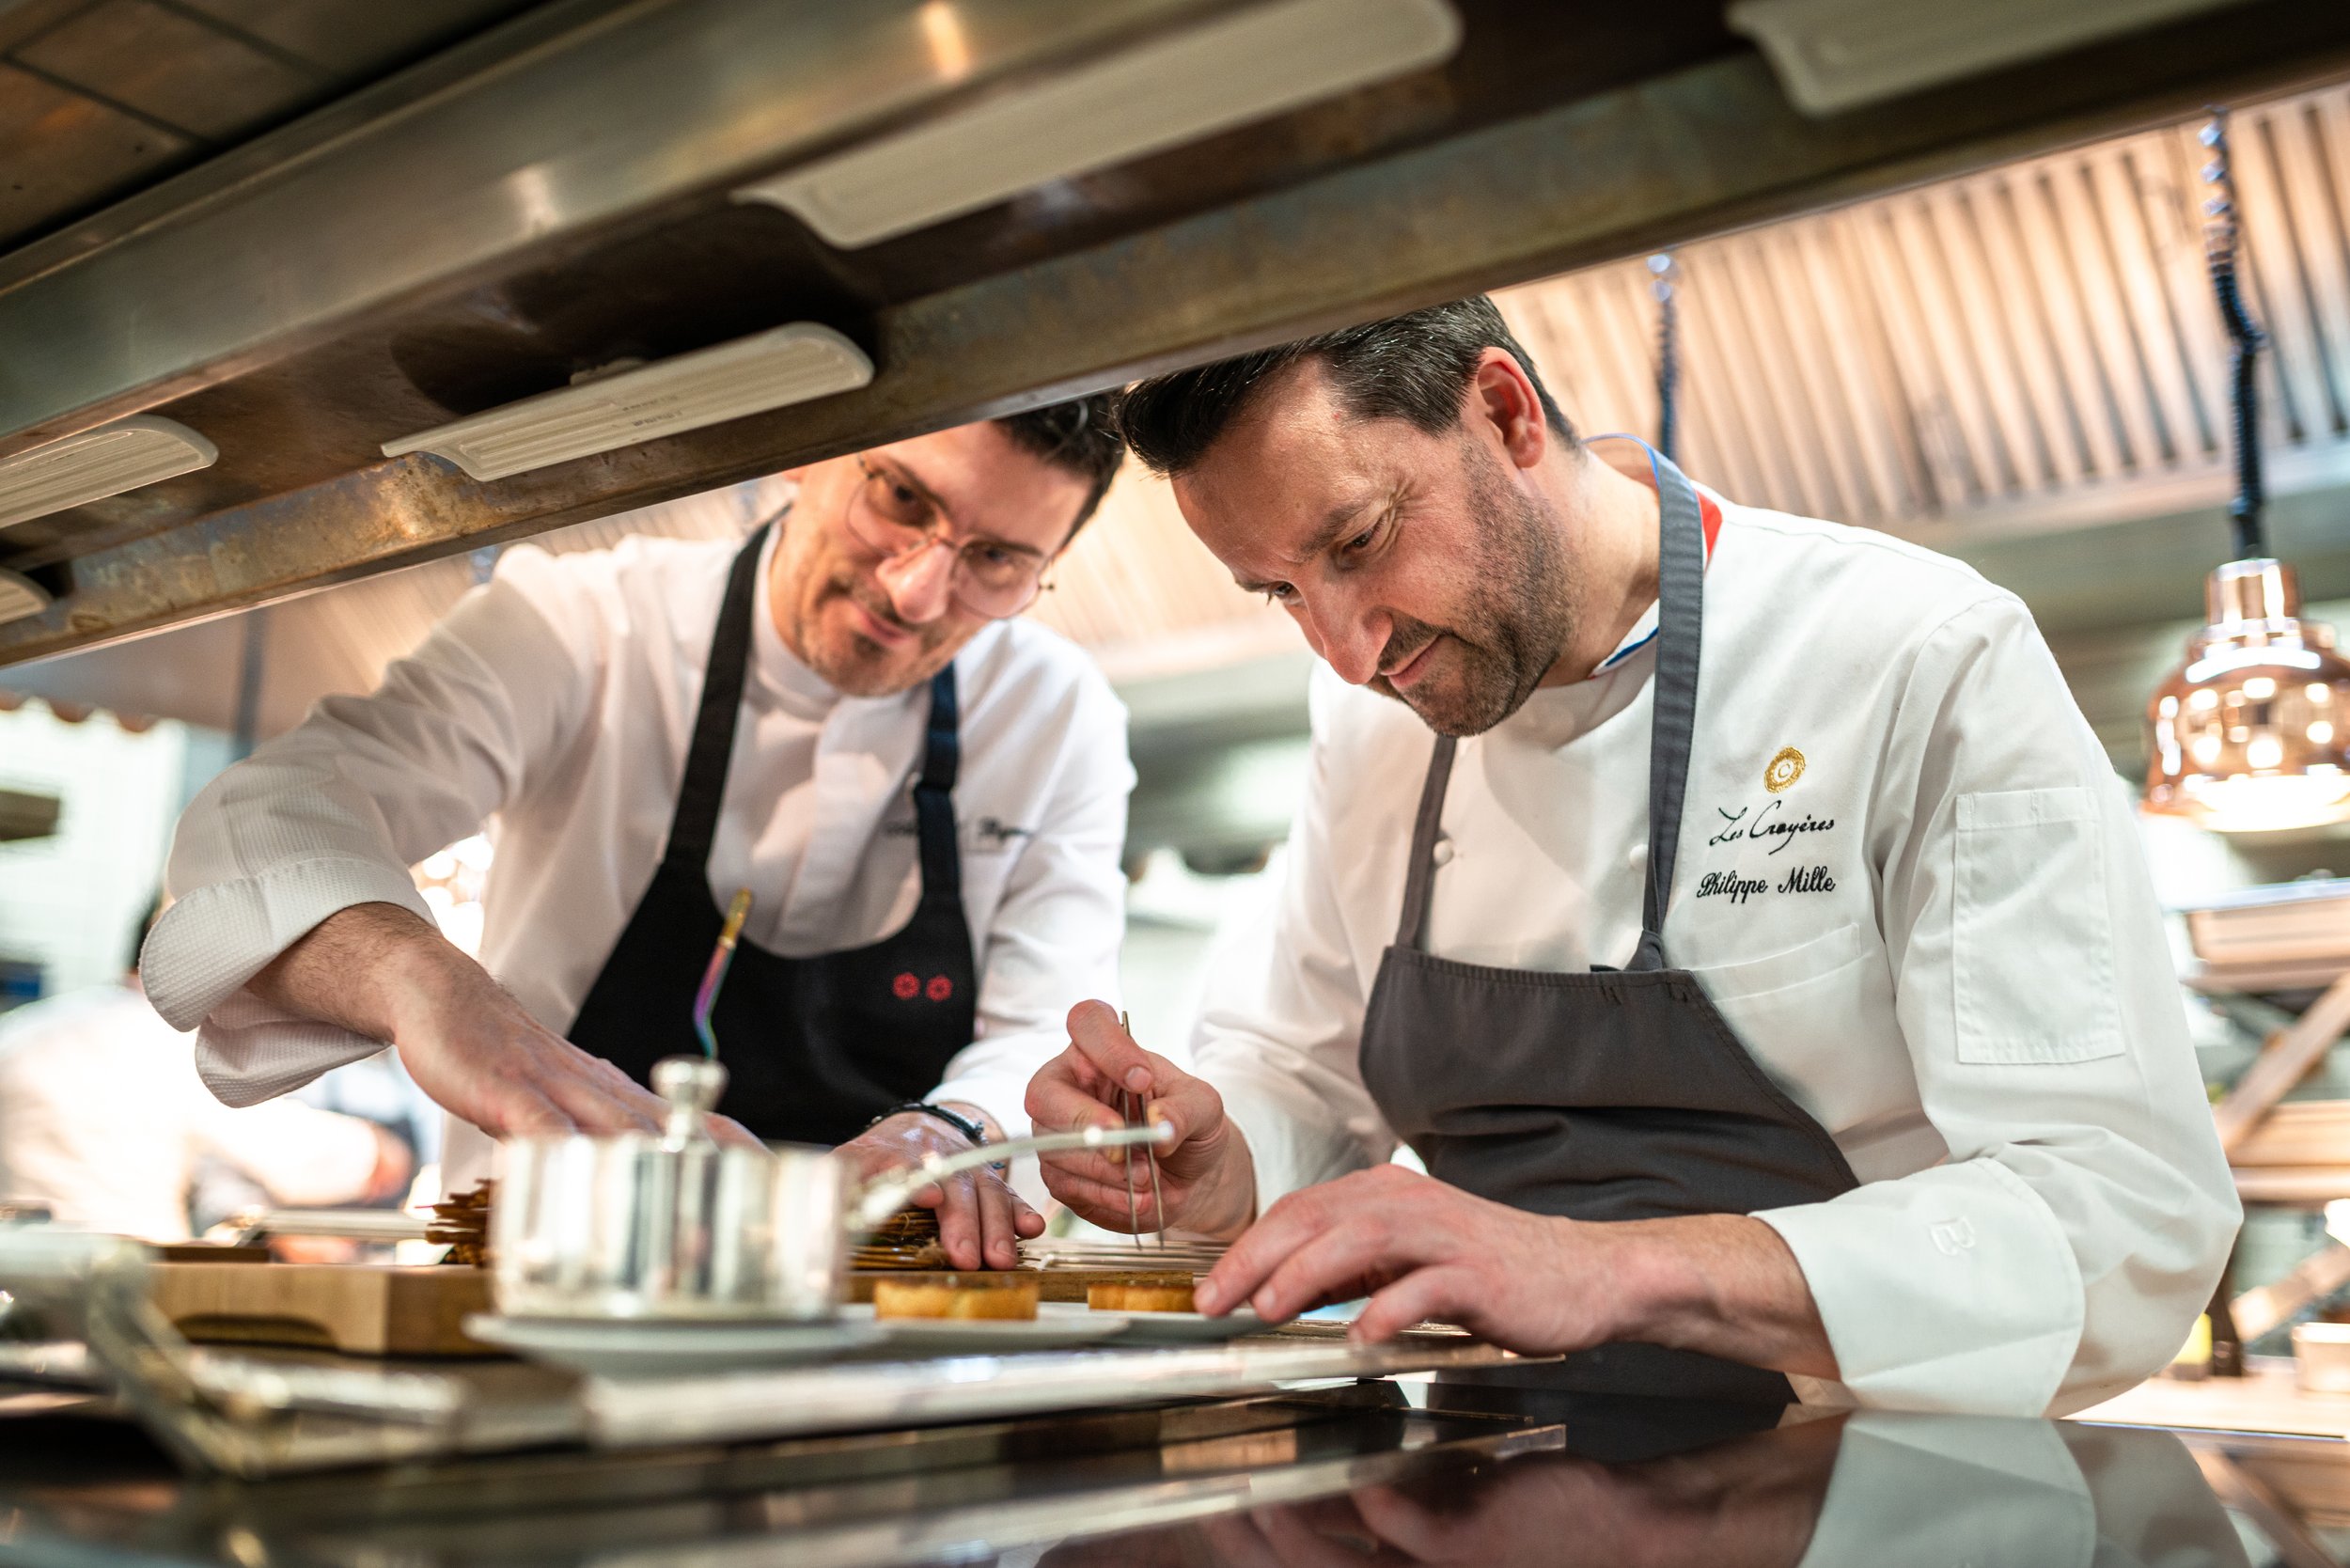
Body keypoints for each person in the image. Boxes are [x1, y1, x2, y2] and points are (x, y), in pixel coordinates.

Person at [1026, 300, 2236, 1413]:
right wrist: (1224, 1166)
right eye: (1279, 591)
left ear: (1502, 412)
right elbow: (1300, 1077)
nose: (1346, 650)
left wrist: (1601, 1268)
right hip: (1491, 1490)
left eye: (1357, 542)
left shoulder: (1917, 657)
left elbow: (2119, 1215)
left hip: (1865, 1495)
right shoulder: (1365, 721)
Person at [146, 400, 1132, 1270]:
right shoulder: (584, 625)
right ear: (812, 451)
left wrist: (955, 1130)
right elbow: (272, 810)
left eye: (996, 560)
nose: (916, 594)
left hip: (889, 1321)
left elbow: (1051, 1024)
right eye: (902, 500)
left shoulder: (1054, 713)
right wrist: (425, 984)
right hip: (550, 1286)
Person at [0, 921, 407, 1243]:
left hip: (20, 1264)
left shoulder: (20, 1031)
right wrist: (374, 1149)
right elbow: (283, 1145)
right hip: (122, 1267)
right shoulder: (163, 1039)